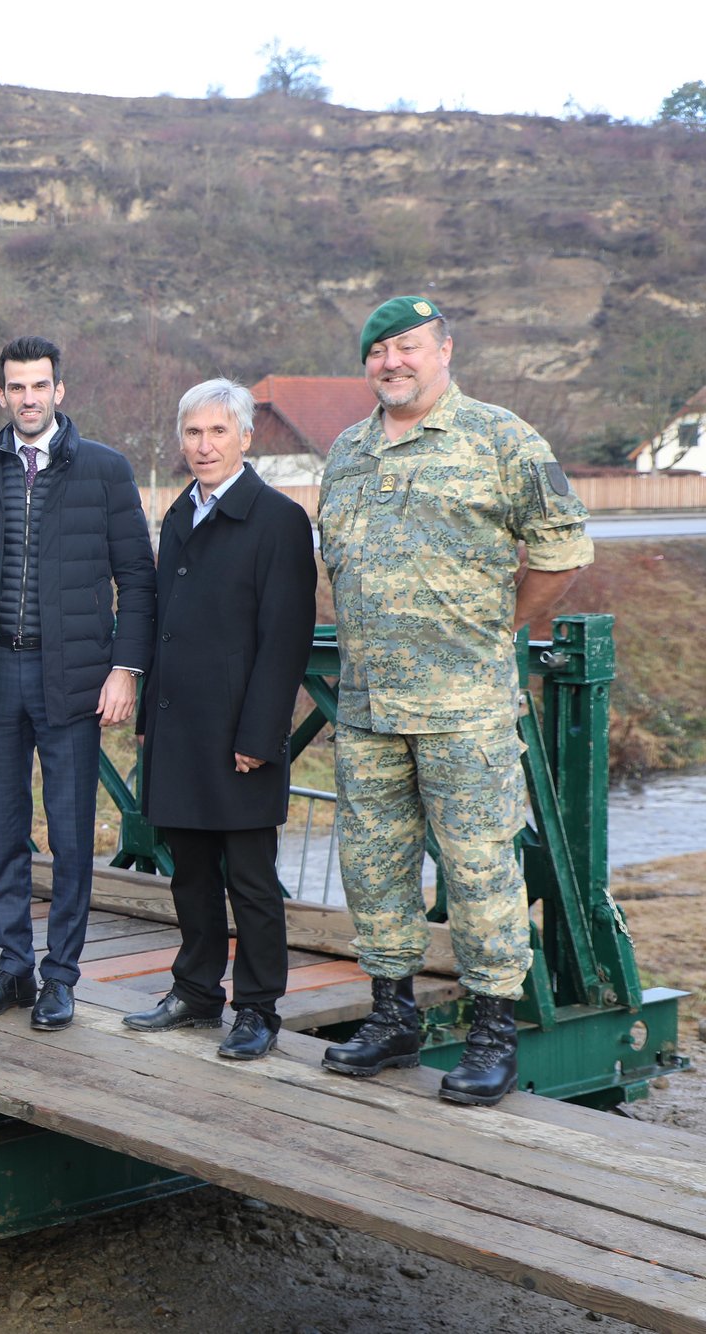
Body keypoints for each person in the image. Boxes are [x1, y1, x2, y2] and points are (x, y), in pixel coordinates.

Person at [317, 297, 591, 1106]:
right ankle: (391, 1017)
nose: (392, 361)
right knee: (374, 867)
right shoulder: (348, 450)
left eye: (407, 346)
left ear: (443, 349)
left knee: (479, 871)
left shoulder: (500, 437)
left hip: (463, 707)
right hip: (367, 706)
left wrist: (498, 625)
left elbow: (563, 547)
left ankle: (493, 1033)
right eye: (378, 351)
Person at [0, 336, 155, 1030]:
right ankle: (13, 967)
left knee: (69, 832)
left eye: (40, 386)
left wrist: (125, 669)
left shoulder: (105, 470)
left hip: (74, 679)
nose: (28, 398)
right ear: (1, 394)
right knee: (1, 832)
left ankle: (61, 976)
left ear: (59, 390)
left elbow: (138, 580)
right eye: (16, 387)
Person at [122, 380, 317, 1060]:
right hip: (178, 726)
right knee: (191, 873)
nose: (204, 445)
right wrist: (148, 716)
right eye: (193, 433)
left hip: (239, 733)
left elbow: (285, 639)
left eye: (217, 431)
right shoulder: (180, 513)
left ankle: (258, 1009)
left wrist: (261, 736)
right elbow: (164, 624)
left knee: (252, 882)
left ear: (245, 437)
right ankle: (197, 991)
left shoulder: (279, 520)